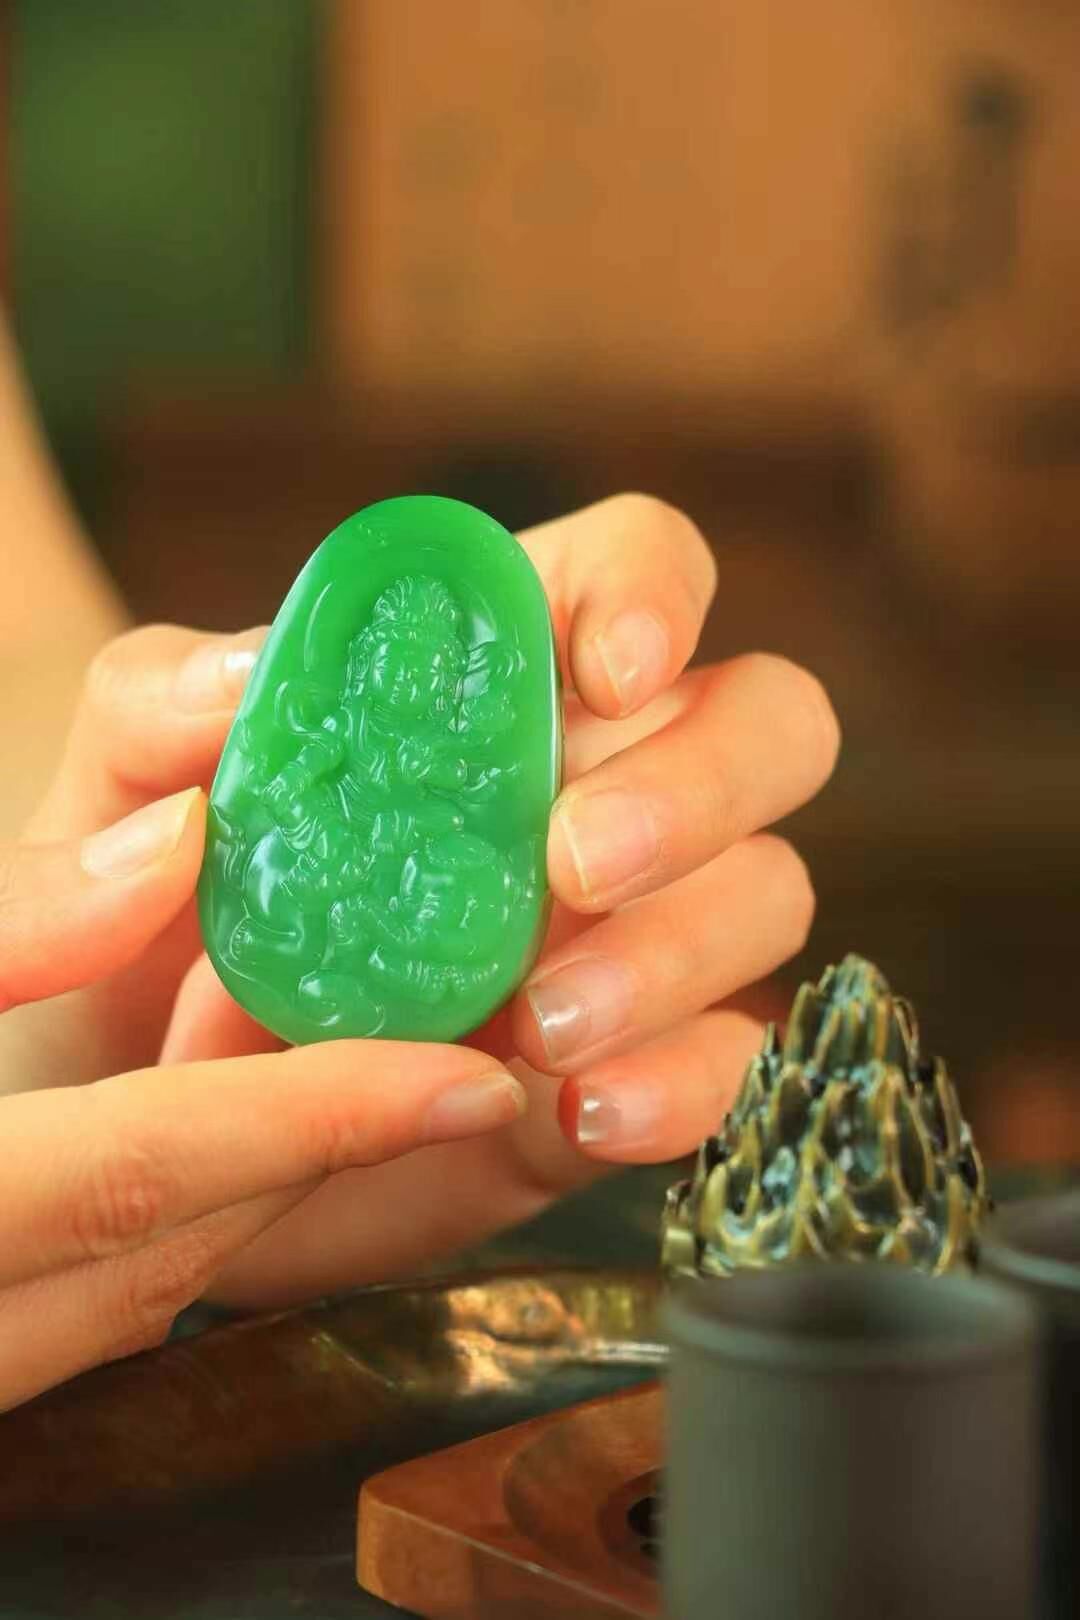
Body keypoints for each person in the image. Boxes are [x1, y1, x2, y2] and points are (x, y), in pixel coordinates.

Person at [0, 312, 840, 1411]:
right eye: (390, 655)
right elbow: (293, 792)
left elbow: (30, 670)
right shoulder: (338, 739)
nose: (405, 676)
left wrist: (65, 1041)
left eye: (427, 662)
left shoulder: (442, 746)